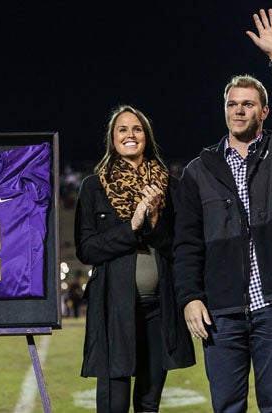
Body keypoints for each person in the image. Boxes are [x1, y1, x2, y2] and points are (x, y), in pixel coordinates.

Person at [172, 8, 272, 412]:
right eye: (233, 104)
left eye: (249, 104)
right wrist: (189, 297)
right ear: (224, 109)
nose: (239, 110)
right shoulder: (198, 171)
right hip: (221, 311)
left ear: (263, 112)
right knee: (227, 407)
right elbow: (185, 244)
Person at [74, 105, 195, 413]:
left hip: (160, 309)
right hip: (114, 309)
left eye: (137, 129)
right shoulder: (94, 187)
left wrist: (154, 218)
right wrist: (132, 225)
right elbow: (87, 249)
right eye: (122, 129)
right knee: (114, 404)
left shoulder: (169, 185)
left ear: (147, 137)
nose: (130, 135)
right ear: (112, 139)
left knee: (148, 404)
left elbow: (179, 247)